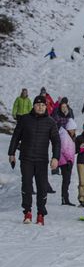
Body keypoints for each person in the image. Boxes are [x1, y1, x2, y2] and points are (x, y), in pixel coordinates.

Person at [8, 95, 60, 225]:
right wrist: (11, 153)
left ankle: (41, 214)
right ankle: (27, 212)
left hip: (42, 160)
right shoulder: (25, 119)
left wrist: (55, 157)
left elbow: (56, 142)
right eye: (38, 105)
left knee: (42, 186)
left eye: (42, 105)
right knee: (26, 184)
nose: (40, 107)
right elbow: (15, 137)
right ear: (34, 106)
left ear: (45, 106)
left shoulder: (50, 122)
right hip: (26, 158)